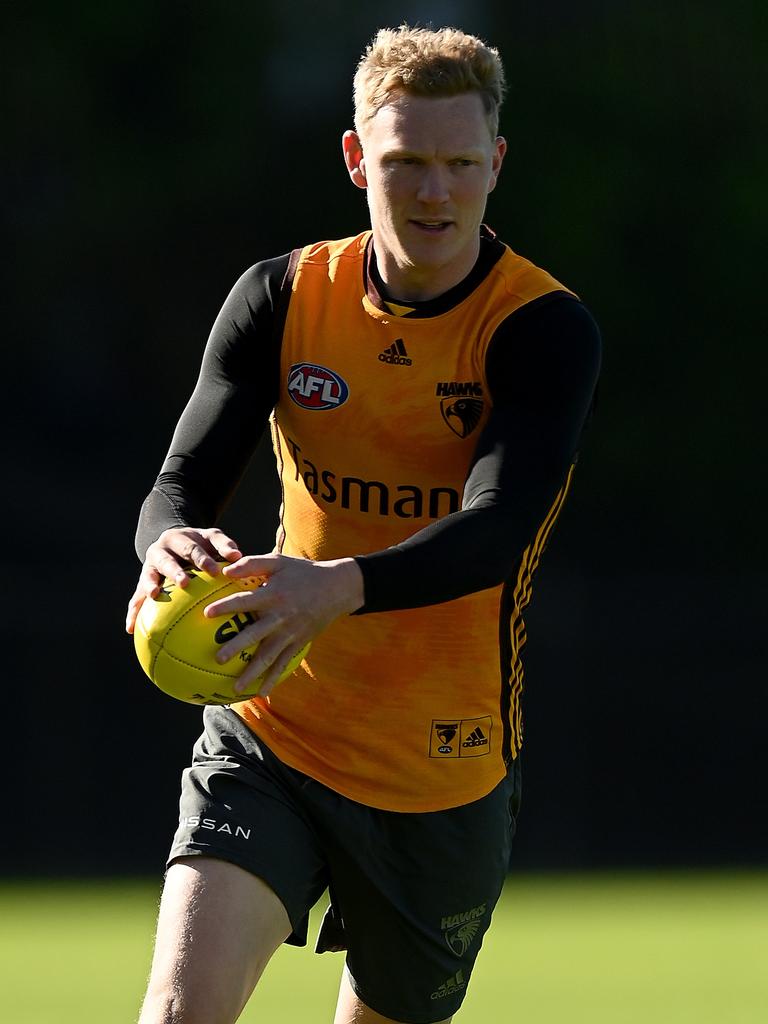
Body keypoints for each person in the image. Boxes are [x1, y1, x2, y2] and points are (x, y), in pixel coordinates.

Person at [126, 24, 601, 1024]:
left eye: (460, 164)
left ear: (496, 163)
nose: (436, 193)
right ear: (355, 159)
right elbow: (181, 482)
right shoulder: (283, 295)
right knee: (178, 1013)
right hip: (273, 727)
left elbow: (500, 524)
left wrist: (335, 585)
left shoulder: (539, 327)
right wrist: (163, 543)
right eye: (406, 164)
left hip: (443, 763)